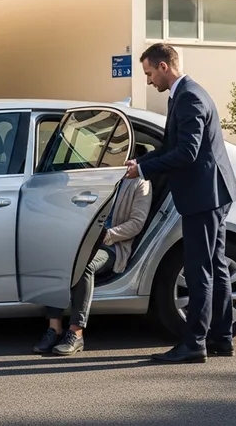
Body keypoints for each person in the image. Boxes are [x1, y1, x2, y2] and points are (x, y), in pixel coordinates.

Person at [124, 43, 236, 365]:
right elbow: (172, 145)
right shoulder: (185, 93)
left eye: (149, 73)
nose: (148, 80)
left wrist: (146, 169)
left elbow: (187, 152)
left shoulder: (189, 97)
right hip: (210, 193)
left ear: (164, 67)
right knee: (215, 267)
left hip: (204, 196)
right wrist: (143, 160)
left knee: (199, 270)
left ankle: (194, 344)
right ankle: (222, 338)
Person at [33, 145, 153, 356]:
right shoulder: (105, 177)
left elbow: (136, 224)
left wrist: (105, 235)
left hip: (113, 245)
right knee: (55, 257)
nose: (121, 160)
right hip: (83, 239)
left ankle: (76, 333)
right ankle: (54, 328)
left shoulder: (141, 184)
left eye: (127, 157)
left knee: (83, 265)